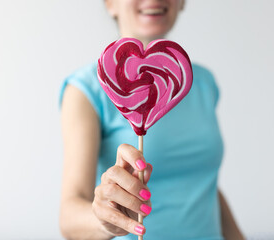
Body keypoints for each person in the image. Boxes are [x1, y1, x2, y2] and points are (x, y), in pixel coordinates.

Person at [59, 0, 246, 239]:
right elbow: (68, 216)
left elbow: (204, 185)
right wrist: (104, 220)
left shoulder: (201, 83)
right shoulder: (86, 90)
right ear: (110, 4)